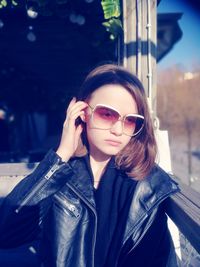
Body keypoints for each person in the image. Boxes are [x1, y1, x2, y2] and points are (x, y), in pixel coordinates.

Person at [0, 64, 179, 267]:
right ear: (82, 112)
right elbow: (7, 232)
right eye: (107, 114)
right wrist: (61, 155)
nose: (118, 130)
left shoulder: (149, 185)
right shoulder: (60, 176)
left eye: (130, 120)